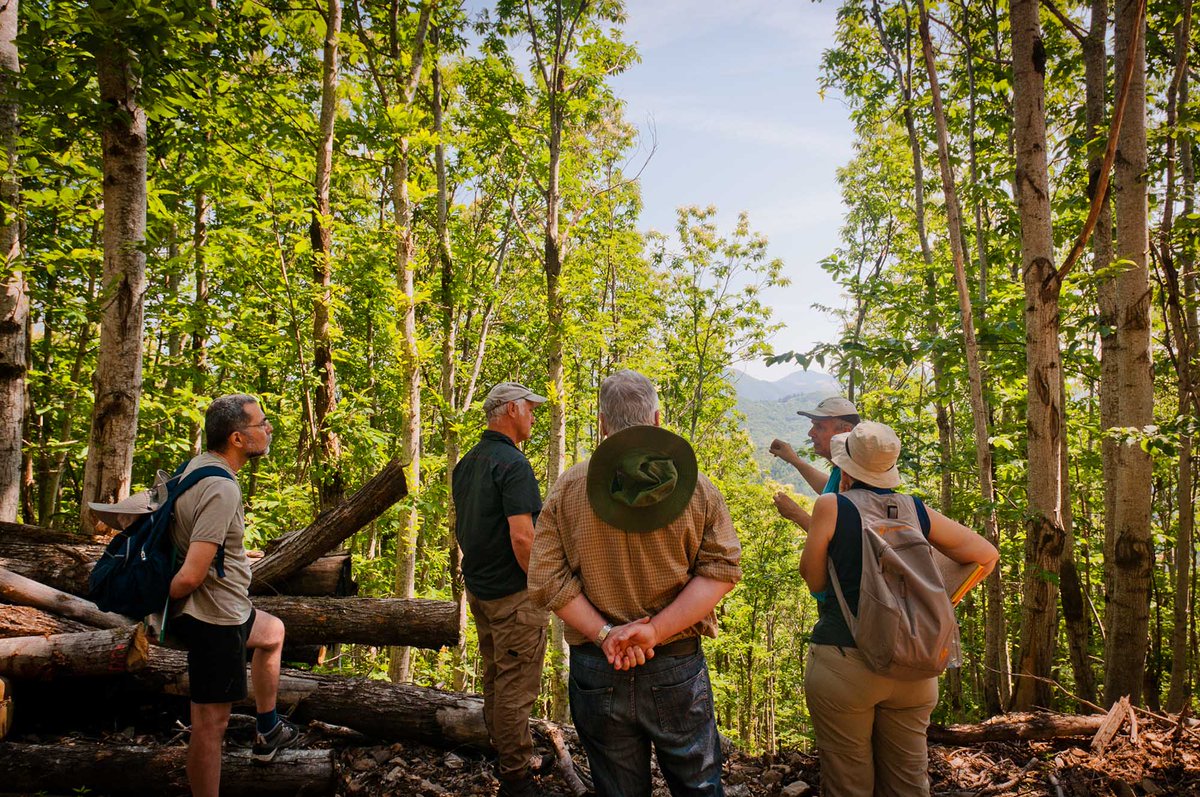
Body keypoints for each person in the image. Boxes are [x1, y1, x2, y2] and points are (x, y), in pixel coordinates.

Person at [528, 369, 742, 797]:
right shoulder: (697, 488)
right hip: (675, 662)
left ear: (603, 423)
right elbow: (721, 570)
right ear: (658, 419)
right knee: (698, 786)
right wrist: (654, 631)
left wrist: (606, 634)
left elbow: (545, 578)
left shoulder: (569, 487)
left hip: (597, 663)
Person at [794, 421, 998, 797]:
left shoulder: (832, 505)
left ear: (848, 465)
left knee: (848, 783)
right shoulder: (915, 510)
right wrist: (933, 597)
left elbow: (815, 579)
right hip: (915, 667)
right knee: (908, 783)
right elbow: (986, 555)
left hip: (846, 663)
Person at [167, 394, 299, 797]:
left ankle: (268, 729)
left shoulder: (194, 469)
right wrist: (157, 603)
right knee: (210, 726)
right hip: (214, 618)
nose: (269, 428)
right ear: (238, 438)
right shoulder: (221, 489)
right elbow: (191, 575)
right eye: (261, 424)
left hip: (230, 609)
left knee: (273, 632)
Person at [453, 381, 550, 797]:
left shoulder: (468, 463)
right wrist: (542, 587)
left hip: (481, 589)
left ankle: (505, 752)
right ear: (510, 410)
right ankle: (516, 777)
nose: (533, 416)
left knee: (496, 677)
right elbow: (523, 538)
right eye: (529, 408)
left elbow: (470, 527)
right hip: (513, 595)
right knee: (516, 686)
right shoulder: (513, 465)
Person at [769, 395, 860, 531]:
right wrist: (795, 460)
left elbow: (838, 543)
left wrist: (795, 513)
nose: (810, 433)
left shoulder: (857, 475)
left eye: (819, 427)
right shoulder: (842, 469)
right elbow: (830, 488)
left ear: (845, 432)